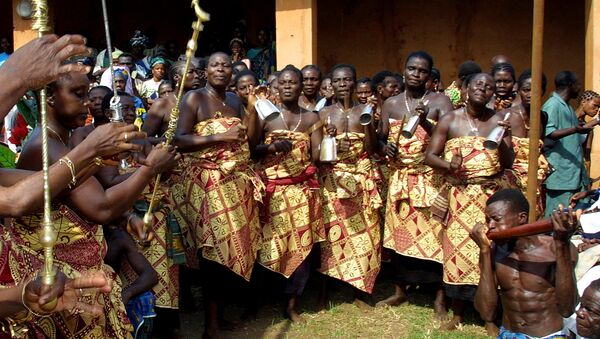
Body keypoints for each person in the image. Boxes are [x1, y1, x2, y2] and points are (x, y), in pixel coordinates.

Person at [10, 71, 178, 337]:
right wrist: (149, 169)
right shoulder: (46, 147)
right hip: (56, 283)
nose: (87, 103)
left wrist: (124, 216)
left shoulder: (59, 141)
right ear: (50, 97)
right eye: (78, 95)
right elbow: (100, 207)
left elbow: (75, 197)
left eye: (87, 95)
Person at [171, 52, 262, 338]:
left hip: (235, 184)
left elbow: (249, 139)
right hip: (206, 185)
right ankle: (210, 326)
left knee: (231, 250)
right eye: (214, 65)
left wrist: (253, 108)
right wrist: (217, 137)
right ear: (205, 71)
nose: (221, 69)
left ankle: (219, 318)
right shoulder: (194, 99)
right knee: (213, 252)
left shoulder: (235, 100)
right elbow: (179, 140)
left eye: (225, 65)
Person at [425, 72, 514, 333]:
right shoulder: (450, 119)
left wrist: (505, 140)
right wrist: (447, 165)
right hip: (459, 197)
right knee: (457, 254)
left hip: (490, 200)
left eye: (488, 87)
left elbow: (508, 162)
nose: (483, 90)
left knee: (490, 252)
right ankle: (458, 313)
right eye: (478, 85)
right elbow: (430, 156)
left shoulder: (498, 120)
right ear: (466, 88)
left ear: (491, 94)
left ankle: (489, 318)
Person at [377, 52, 453, 318]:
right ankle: (400, 290)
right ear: (404, 71)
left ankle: (439, 298)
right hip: (400, 179)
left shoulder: (440, 101)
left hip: (428, 179)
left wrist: (424, 123)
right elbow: (380, 138)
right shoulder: (391, 103)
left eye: (422, 70)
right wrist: (385, 147)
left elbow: (449, 138)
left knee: (434, 235)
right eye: (412, 68)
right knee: (399, 236)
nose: (416, 74)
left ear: (430, 75)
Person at [254, 65, 324, 322]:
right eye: (282, 82)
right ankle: (259, 302)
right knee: (266, 247)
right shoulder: (265, 116)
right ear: (276, 86)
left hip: (300, 192)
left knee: (299, 248)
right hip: (270, 193)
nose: (287, 87)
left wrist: (327, 142)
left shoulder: (311, 118)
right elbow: (250, 150)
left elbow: (316, 157)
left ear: (301, 86)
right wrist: (270, 147)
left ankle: (291, 305)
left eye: (292, 82)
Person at [471, 188, 577, 339]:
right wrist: (484, 252)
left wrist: (562, 243)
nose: (490, 226)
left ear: (522, 218)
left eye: (497, 219)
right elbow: (486, 313)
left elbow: (567, 309)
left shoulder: (555, 248)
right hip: (508, 334)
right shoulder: (493, 251)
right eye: (488, 220)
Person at [317, 64, 382, 308]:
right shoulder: (322, 114)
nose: (343, 84)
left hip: (361, 178)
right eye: (338, 80)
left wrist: (369, 123)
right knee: (331, 235)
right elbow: (317, 152)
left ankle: (361, 291)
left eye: (347, 80)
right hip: (333, 181)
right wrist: (330, 142)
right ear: (331, 84)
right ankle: (324, 291)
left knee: (366, 233)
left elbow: (373, 148)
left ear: (354, 83)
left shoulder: (363, 111)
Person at [543, 71, 594, 217]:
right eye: (578, 84)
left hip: (573, 176)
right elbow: (549, 133)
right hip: (560, 177)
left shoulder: (568, 108)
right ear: (571, 85)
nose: (579, 88)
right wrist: (575, 129)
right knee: (556, 220)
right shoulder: (553, 105)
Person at [502, 69, 549, 215]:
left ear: (543, 91)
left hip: (536, 182)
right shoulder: (507, 115)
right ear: (518, 90)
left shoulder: (543, 117)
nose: (530, 95)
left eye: (535, 90)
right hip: (511, 182)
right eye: (526, 90)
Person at [142, 59, 201, 142]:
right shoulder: (162, 104)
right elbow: (144, 138)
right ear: (177, 77)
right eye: (190, 72)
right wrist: (172, 141)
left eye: (196, 72)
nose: (196, 76)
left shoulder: (202, 101)